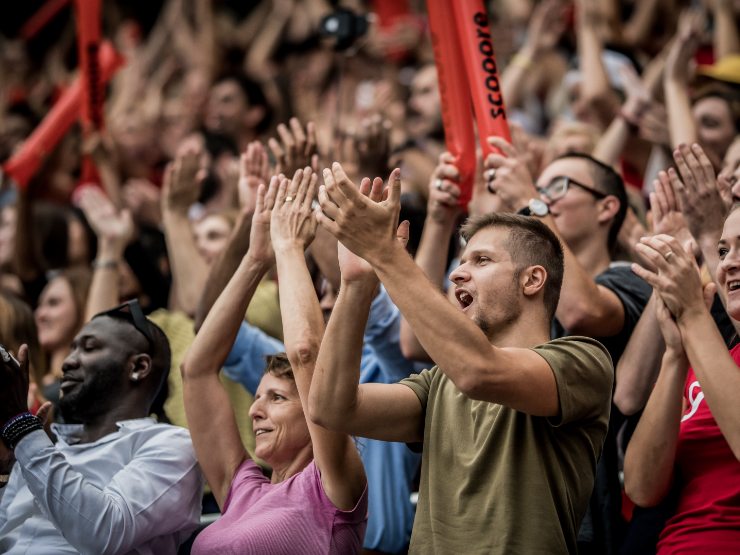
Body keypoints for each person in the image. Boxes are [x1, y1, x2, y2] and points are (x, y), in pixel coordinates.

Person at [310, 163, 613, 553]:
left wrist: (385, 253)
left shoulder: (582, 360)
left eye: (481, 261)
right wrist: (356, 284)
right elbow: (331, 409)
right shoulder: (440, 383)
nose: (457, 274)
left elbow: (480, 372)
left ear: (533, 280)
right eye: (461, 261)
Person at [182, 169, 368, 554]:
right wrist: (255, 259)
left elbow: (306, 354)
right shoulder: (243, 491)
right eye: (258, 397)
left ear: (313, 407)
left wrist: (289, 248)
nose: (255, 411)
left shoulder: (332, 484)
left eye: (277, 398)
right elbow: (196, 371)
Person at [0, 299, 203, 554]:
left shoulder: (172, 444)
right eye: (72, 349)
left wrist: (23, 430)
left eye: (89, 348)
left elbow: (104, 533)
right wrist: (4, 472)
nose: (68, 362)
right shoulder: (45, 447)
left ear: (139, 367)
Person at [624, 209, 740, 552]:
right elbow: (642, 487)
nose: (729, 263)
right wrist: (674, 354)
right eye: (723, 251)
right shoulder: (712, 359)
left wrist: (692, 313)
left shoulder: (707, 346)